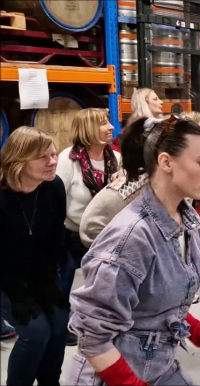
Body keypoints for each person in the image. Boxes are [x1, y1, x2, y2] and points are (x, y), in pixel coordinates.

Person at [67, 116, 200, 385]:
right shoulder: (131, 237)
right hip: (109, 374)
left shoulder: (190, 225)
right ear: (166, 163)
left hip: (157, 364)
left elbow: (161, 304)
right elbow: (93, 336)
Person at [0, 127, 70, 385]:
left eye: (54, 155)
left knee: (60, 325)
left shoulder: (53, 187)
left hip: (40, 275)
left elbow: (54, 239)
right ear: (18, 160)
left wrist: (50, 283)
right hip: (6, 281)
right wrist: (17, 294)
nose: (53, 162)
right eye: (43, 157)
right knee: (36, 333)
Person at [56, 108, 121, 345]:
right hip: (71, 232)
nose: (111, 127)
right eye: (104, 123)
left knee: (105, 282)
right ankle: (61, 327)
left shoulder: (115, 158)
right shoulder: (67, 160)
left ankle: (100, 323)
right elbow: (55, 197)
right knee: (63, 282)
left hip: (105, 233)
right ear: (87, 129)